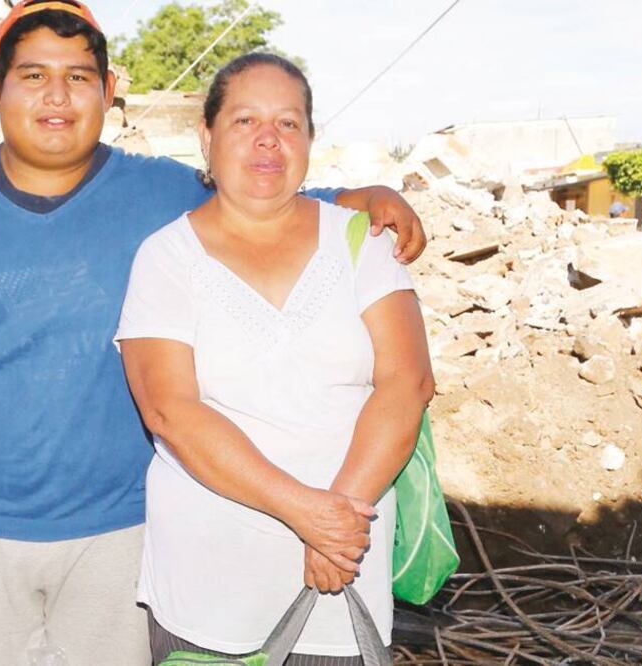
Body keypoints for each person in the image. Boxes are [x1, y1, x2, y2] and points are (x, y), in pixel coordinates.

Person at [0, 2, 427, 664]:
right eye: (32, 76)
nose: (57, 96)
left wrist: (362, 194)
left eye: (79, 77)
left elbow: (262, 190)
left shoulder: (158, 192)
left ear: (109, 93)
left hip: (121, 528)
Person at [116, 53, 435, 664]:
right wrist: (306, 512)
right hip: (210, 585)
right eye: (244, 121)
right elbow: (169, 410)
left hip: (343, 571)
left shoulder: (361, 242)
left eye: (289, 123)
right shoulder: (166, 258)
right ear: (206, 136)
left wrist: (338, 520)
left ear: (312, 139)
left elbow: (408, 382)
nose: (268, 139)